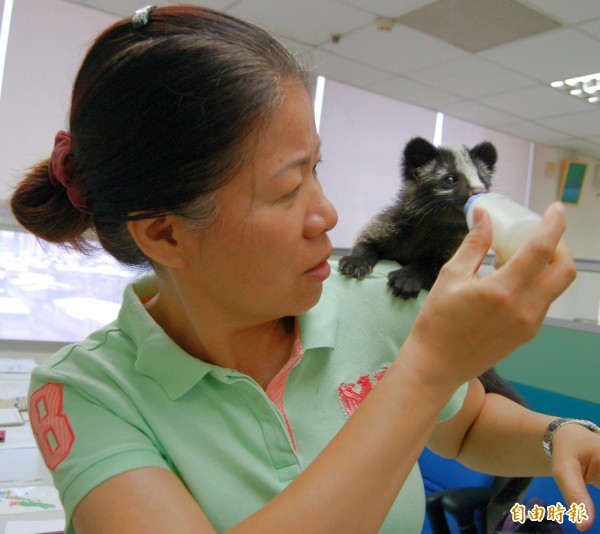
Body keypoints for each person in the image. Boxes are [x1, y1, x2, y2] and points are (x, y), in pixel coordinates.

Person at [10, 4, 598, 534]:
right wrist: (425, 371)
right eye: (289, 188)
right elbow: (430, 389)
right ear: (165, 233)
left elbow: (466, 425)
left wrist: (556, 436)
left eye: (317, 168)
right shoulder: (87, 393)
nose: (328, 213)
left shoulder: (374, 300)